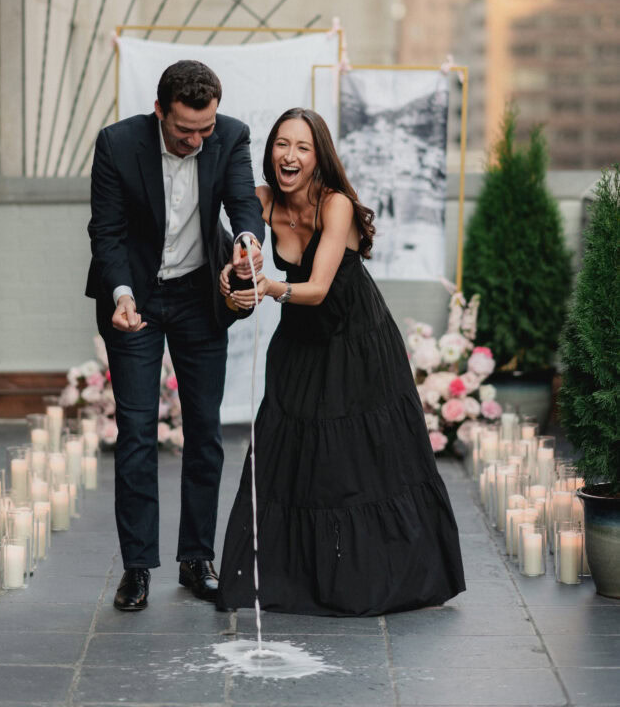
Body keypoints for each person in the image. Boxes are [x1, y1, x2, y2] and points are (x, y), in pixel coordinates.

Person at [216, 108, 465, 616]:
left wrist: (269, 287)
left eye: (302, 147)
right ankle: (296, 577)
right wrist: (232, 277)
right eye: (282, 144)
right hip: (300, 343)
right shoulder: (262, 201)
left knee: (356, 464)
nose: (289, 155)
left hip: (356, 342)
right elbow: (242, 246)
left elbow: (317, 288)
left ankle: (368, 580)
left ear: (319, 157)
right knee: (287, 452)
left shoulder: (337, 205)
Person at [86, 60, 264, 611]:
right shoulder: (117, 144)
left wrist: (248, 241)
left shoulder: (230, 135)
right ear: (159, 110)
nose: (196, 140)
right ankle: (137, 567)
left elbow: (244, 205)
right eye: (185, 129)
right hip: (134, 297)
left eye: (205, 128)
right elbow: (106, 232)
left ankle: (196, 559)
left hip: (197, 296)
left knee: (205, 431)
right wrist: (121, 295)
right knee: (137, 433)